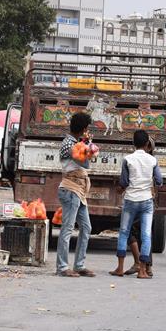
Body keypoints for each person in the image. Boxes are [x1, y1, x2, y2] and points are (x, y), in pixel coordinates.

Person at [111, 130, 162, 279]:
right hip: (146, 201)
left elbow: (124, 182)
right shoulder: (153, 160)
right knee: (146, 235)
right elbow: (159, 181)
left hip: (130, 200)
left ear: (133, 143)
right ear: (147, 144)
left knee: (124, 232)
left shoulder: (128, 159)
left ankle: (119, 268)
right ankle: (143, 271)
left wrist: (120, 190)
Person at [56, 112, 96, 277]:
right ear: (84, 128)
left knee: (86, 228)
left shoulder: (75, 142)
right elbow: (85, 162)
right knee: (67, 229)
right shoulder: (69, 144)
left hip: (78, 191)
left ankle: (79, 265)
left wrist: (86, 143)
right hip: (70, 189)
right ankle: (62, 267)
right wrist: (87, 143)